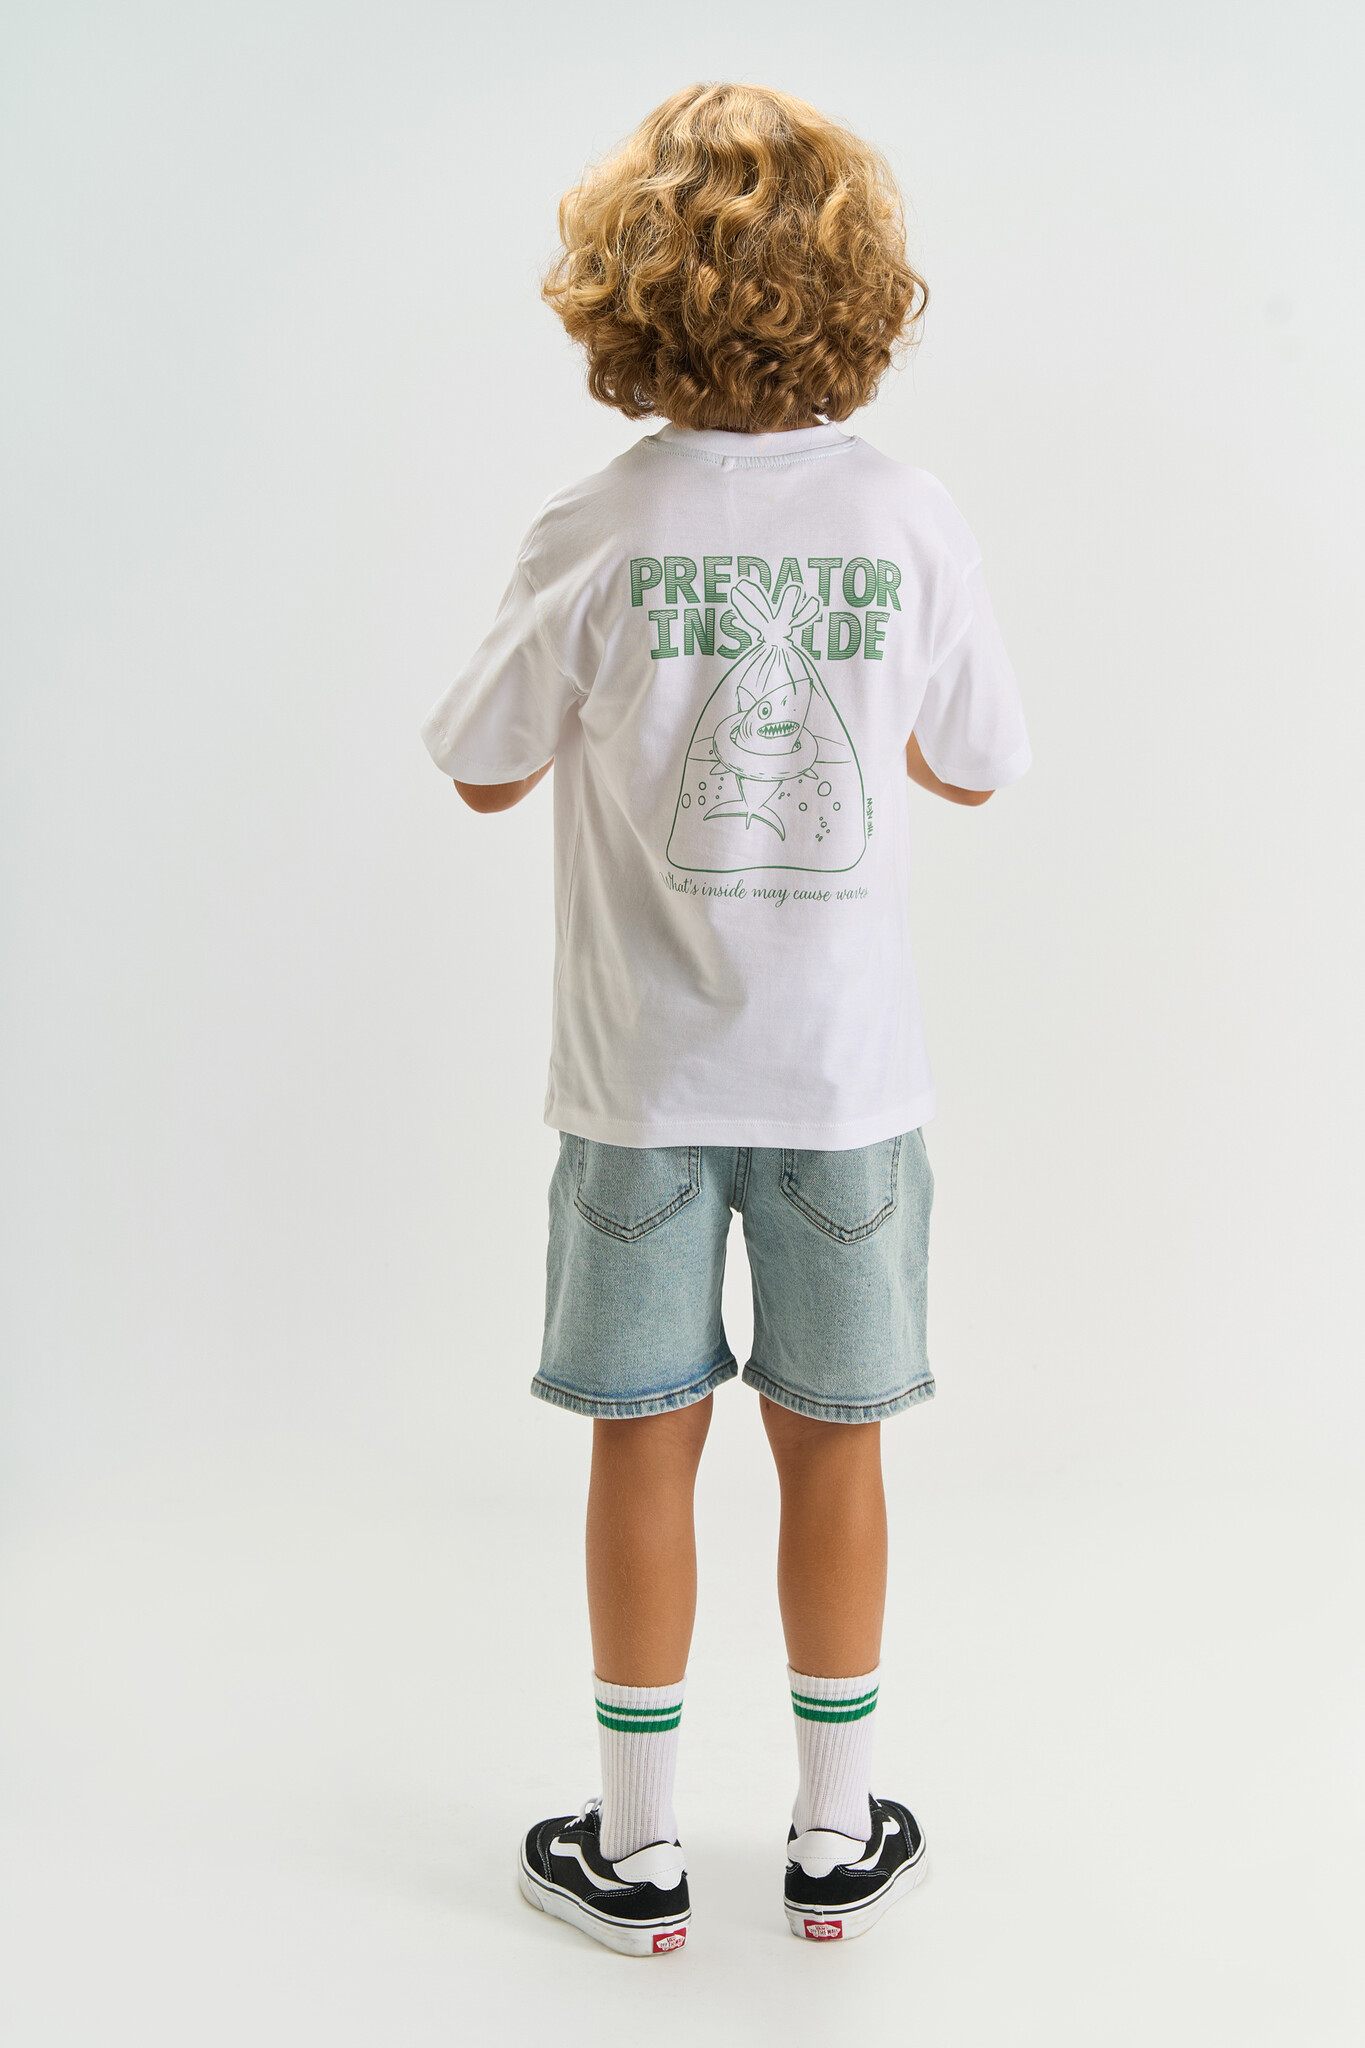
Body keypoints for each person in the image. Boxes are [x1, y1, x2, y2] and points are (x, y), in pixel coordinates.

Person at [421, 81, 1030, 1956]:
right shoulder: (905, 517)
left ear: (623, 295)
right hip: (847, 1088)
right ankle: (837, 1836)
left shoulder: (596, 524)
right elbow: (972, 763)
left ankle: (637, 1849)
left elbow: (482, 770)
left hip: (640, 1087)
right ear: (861, 293)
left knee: (642, 1435)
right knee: (833, 1441)